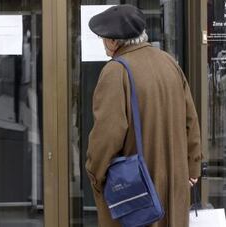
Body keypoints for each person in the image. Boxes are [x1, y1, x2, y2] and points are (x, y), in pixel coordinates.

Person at [85, 4, 202, 227]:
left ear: (113, 41)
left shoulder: (115, 71)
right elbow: (191, 120)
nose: (103, 44)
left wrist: (95, 174)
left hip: (138, 190)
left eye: (103, 38)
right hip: (175, 182)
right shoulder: (168, 62)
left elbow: (107, 136)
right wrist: (192, 168)